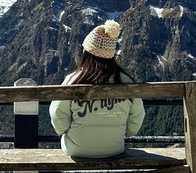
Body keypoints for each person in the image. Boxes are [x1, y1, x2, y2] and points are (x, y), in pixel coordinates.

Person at [49, 20, 145, 158]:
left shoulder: (73, 80)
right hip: (114, 148)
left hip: (76, 149)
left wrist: (65, 131)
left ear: (87, 53)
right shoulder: (126, 81)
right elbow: (136, 119)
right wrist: (124, 132)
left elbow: (58, 116)